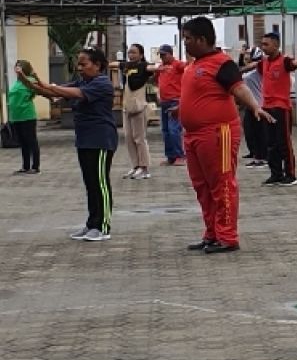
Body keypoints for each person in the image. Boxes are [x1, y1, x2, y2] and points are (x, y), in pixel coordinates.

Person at [178, 17, 274, 254]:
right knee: (202, 186)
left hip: (217, 133)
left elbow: (239, 88)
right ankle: (211, 233)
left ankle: (227, 237)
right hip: (193, 135)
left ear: (202, 39)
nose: (185, 43)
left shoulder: (222, 63)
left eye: (188, 39)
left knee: (221, 184)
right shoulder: (193, 65)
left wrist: (255, 107)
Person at [19, 47, 118, 241]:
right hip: (84, 139)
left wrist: (46, 84)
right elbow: (53, 94)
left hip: (100, 139)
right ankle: (92, 224)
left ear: (97, 65)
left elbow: (72, 93)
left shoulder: (102, 83)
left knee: (100, 184)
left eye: (84, 64)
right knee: (90, 184)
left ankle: (103, 226)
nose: (80, 68)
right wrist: (29, 82)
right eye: (78, 64)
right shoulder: (82, 81)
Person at [255, 32, 297, 187]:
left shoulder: (285, 61)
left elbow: (294, 64)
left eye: (266, 44)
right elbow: (251, 68)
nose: (263, 47)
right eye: (262, 44)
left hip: (281, 108)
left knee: (284, 143)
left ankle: (290, 175)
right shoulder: (263, 63)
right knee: (271, 143)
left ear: (276, 45)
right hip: (267, 108)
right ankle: (276, 174)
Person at [121, 43, 153, 179]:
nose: (131, 55)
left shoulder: (143, 68)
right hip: (126, 106)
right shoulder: (127, 68)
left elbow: (152, 69)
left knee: (139, 138)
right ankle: (135, 166)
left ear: (141, 54)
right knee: (128, 137)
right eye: (129, 52)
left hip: (139, 106)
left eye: (134, 52)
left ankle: (144, 167)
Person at [153, 44, 187, 165]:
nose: (162, 57)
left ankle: (180, 155)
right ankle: (171, 156)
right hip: (164, 101)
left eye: (164, 55)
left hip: (175, 101)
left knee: (174, 130)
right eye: (161, 55)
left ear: (170, 54)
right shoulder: (161, 67)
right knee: (165, 130)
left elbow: (188, 68)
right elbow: (156, 80)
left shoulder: (177, 64)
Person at [237, 46, 269, 169]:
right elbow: (240, 68)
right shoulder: (248, 70)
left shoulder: (260, 68)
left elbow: (257, 63)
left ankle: (263, 157)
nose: (247, 58)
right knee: (250, 132)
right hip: (250, 105)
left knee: (260, 132)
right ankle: (256, 155)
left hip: (259, 104)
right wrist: (241, 56)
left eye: (249, 55)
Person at [8, 60, 40, 175]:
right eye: (16, 66)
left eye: (20, 66)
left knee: (31, 141)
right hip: (17, 117)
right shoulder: (17, 82)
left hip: (27, 115)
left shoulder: (30, 81)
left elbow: (37, 91)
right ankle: (25, 166)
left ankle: (35, 167)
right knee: (22, 142)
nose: (17, 68)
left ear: (25, 68)